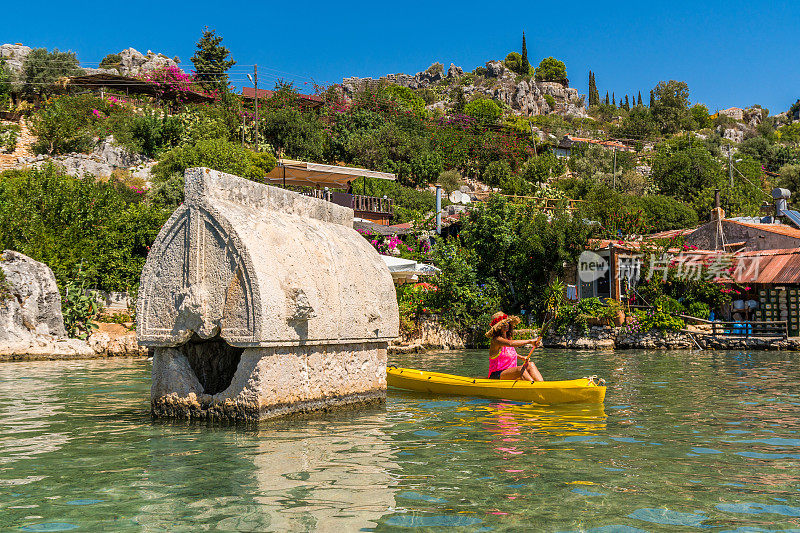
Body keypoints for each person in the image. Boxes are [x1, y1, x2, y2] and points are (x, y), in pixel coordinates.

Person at [485, 312, 543, 382]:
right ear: (498, 327)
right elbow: (510, 344)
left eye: (507, 322)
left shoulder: (508, 338)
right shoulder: (496, 340)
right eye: (503, 323)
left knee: (531, 365)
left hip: (511, 372)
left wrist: (521, 357)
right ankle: (534, 388)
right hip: (496, 375)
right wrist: (530, 341)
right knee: (519, 370)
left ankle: (541, 385)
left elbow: (507, 353)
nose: (506, 324)